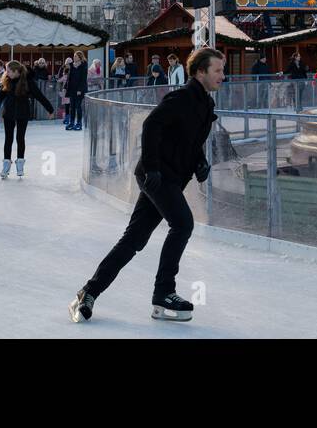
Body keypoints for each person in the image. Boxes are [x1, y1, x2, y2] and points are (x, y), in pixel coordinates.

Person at [70, 47, 223, 325]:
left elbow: (189, 139)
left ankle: (89, 291)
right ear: (201, 72)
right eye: (217, 70)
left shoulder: (205, 104)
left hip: (171, 177)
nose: (222, 76)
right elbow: (151, 126)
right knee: (183, 224)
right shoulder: (182, 97)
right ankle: (164, 292)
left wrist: (199, 161)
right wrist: (152, 168)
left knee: (134, 239)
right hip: (157, 177)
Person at [0, 59, 55, 177]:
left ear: (16, 71)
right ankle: (6, 166)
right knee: (8, 139)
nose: (6, 73)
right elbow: (1, 95)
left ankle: (20, 165)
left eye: (8, 71)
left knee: (20, 138)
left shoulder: (27, 81)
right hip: (9, 112)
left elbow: (39, 95)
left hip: (23, 113)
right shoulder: (7, 80)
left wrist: (50, 109)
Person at [65, 51, 89, 131]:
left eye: (75, 56)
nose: (74, 57)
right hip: (72, 89)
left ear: (80, 57)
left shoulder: (83, 65)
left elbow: (83, 79)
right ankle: (71, 122)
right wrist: (66, 87)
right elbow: (69, 78)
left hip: (79, 90)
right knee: (72, 107)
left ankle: (79, 123)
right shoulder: (71, 66)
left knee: (78, 106)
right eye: (74, 56)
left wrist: (80, 89)